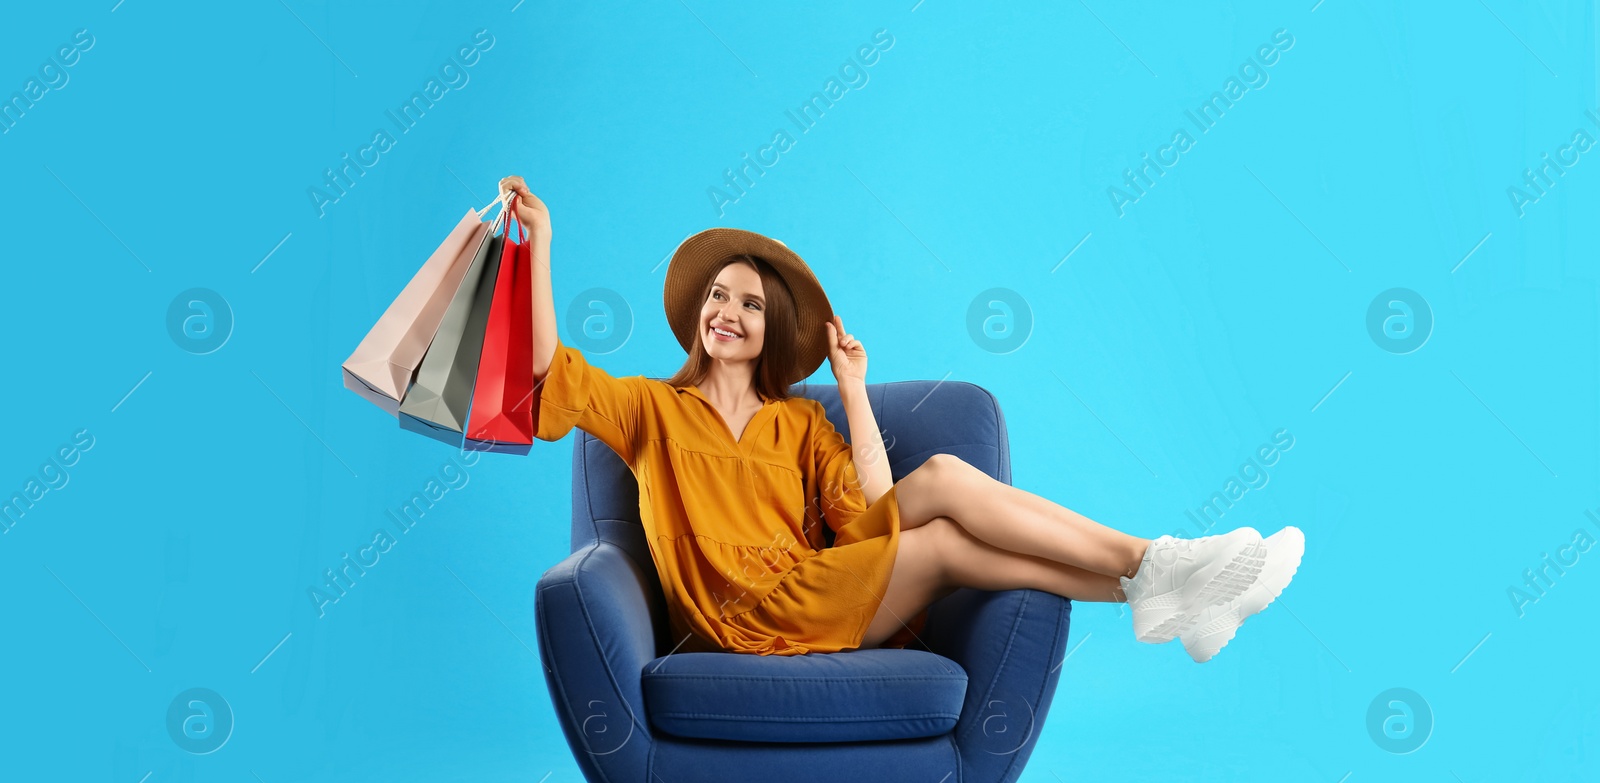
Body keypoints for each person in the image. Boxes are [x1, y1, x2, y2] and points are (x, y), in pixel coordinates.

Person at [499, 174, 1303, 662]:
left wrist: (852, 388)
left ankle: (1156, 584)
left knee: (948, 505)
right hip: (734, 620)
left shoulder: (799, 427)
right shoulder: (650, 410)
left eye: (750, 304)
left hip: (812, 590)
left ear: (773, 329)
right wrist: (538, 242)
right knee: (949, 508)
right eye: (719, 296)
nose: (728, 313)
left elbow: (868, 521)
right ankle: (1159, 568)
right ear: (698, 314)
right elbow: (544, 372)